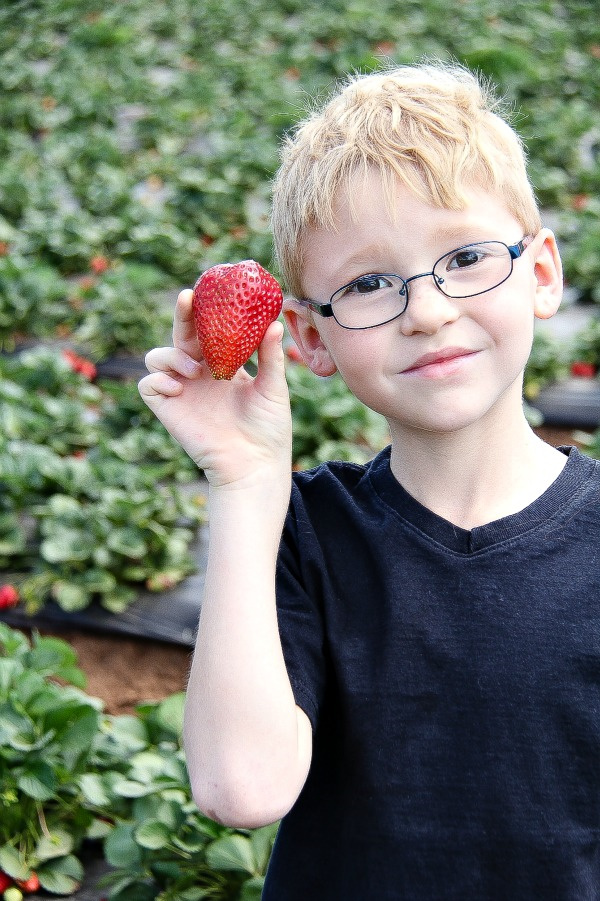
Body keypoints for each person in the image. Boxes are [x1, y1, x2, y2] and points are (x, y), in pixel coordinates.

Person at [138, 61, 600, 900]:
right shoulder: (305, 532)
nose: (426, 310)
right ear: (311, 342)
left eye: (463, 256)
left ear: (540, 274)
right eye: (369, 283)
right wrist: (245, 482)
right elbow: (242, 790)